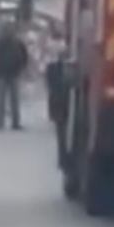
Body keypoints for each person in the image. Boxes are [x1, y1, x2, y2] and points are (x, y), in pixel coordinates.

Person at [0, 22, 29, 129]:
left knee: (0, 99)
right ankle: (15, 122)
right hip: (12, 73)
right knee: (14, 100)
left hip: (2, 73)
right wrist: (21, 68)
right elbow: (24, 56)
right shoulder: (17, 43)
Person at [44, 25, 70, 163]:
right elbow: (64, 53)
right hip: (57, 67)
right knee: (57, 91)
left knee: (52, 92)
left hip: (50, 67)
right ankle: (56, 112)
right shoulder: (61, 43)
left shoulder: (49, 42)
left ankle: (52, 113)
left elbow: (47, 52)